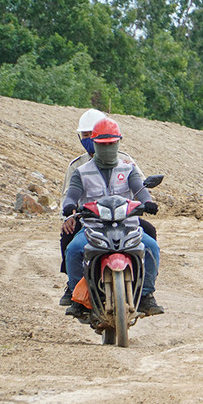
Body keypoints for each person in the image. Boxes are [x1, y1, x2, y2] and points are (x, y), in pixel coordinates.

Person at [61, 118, 163, 318]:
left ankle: (146, 295)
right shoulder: (81, 172)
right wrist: (69, 206)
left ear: (118, 142)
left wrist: (147, 201)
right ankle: (78, 299)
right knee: (73, 249)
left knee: (151, 247)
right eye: (102, 144)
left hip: (127, 225)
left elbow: (139, 190)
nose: (107, 147)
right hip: (93, 227)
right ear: (95, 144)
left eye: (111, 143)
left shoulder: (128, 168)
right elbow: (71, 194)